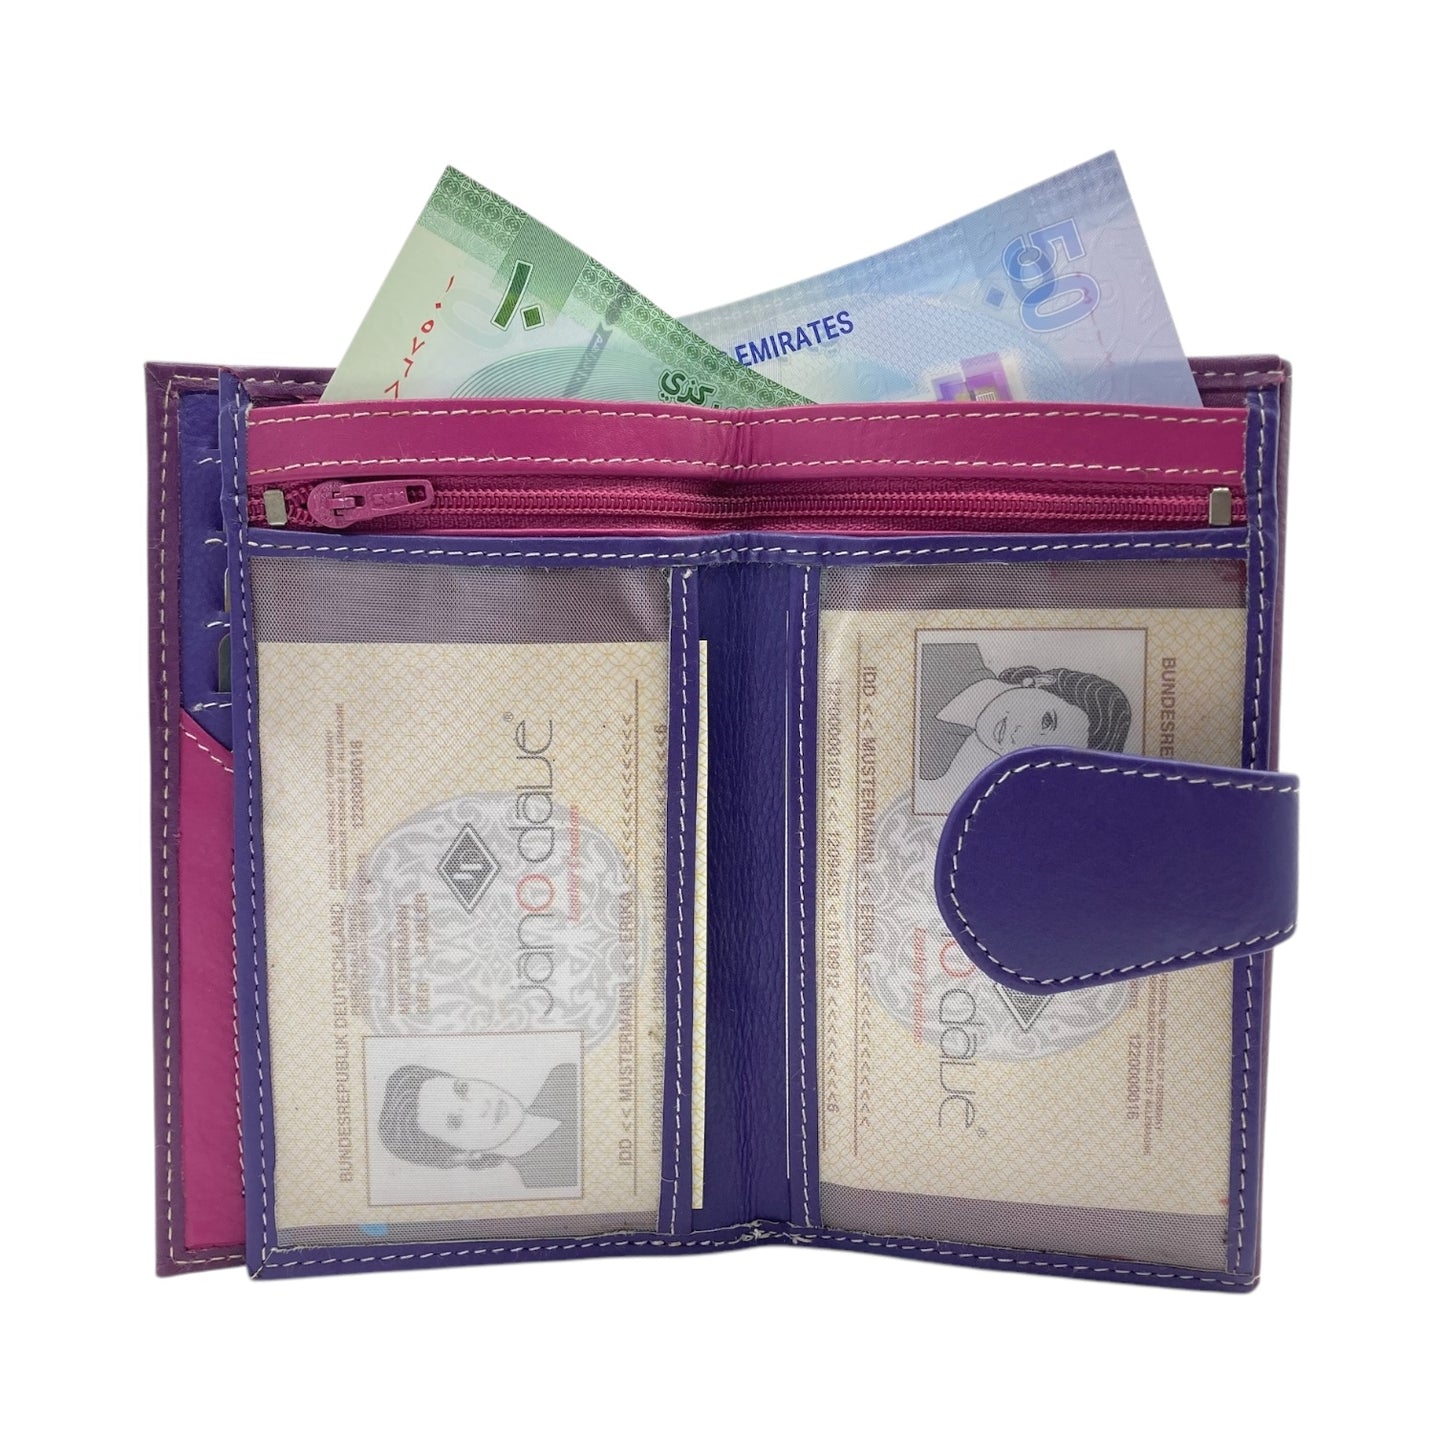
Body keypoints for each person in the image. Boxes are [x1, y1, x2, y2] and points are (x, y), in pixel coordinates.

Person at [914, 646, 1131, 815]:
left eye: (1040, 752)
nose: (1019, 738)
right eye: (1047, 721)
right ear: (1042, 682)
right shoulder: (947, 652)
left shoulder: (946, 769)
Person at [377, 1061, 579, 1189]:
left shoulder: (566, 1076)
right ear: (462, 1155)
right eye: (456, 1122)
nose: (482, 1105)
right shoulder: (550, 1182)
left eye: (463, 1088)